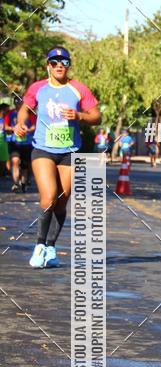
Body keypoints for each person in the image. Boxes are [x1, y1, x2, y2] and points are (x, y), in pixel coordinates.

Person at [16, 46, 101, 268]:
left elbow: (97, 116)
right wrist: (20, 123)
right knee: (49, 196)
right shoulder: (38, 88)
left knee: (62, 201)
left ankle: (51, 248)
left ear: (68, 65)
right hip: (43, 148)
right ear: (48, 66)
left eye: (64, 62)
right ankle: (39, 246)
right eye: (54, 62)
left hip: (70, 152)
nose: (59, 66)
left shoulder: (78, 88)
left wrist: (80, 115)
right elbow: (25, 108)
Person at [6, 98, 34, 192]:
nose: (18, 105)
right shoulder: (10, 114)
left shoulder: (30, 113)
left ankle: (24, 183)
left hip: (27, 143)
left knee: (25, 165)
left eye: (20, 103)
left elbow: (35, 125)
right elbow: (5, 125)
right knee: (15, 161)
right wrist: (13, 128)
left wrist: (28, 130)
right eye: (16, 103)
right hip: (14, 142)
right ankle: (15, 184)